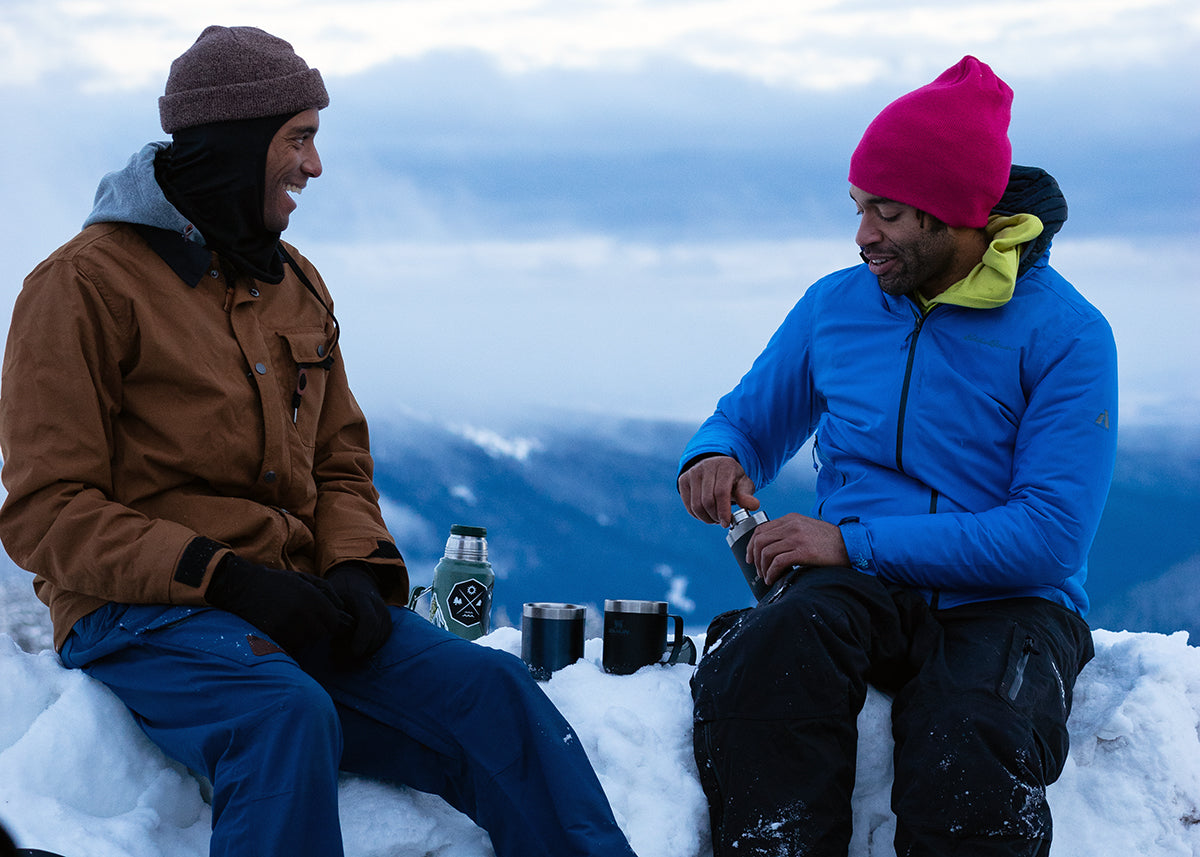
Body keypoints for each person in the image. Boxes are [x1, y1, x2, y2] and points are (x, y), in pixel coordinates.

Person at [0, 26, 638, 857]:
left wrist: (354, 573)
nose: (314, 166)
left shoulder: (291, 284)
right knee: (283, 712)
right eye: (297, 139)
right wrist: (223, 576)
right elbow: (49, 510)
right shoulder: (81, 288)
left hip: (290, 596)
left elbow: (339, 461)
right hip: (141, 613)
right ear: (235, 144)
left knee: (496, 692)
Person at [677, 56, 1117, 857]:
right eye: (857, 206)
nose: (861, 234)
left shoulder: (1067, 334)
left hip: (1010, 603)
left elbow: (1050, 536)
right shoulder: (835, 306)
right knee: (764, 663)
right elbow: (747, 419)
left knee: (972, 733)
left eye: (886, 211)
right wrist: (716, 453)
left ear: (953, 216)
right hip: (861, 588)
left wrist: (849, 541)